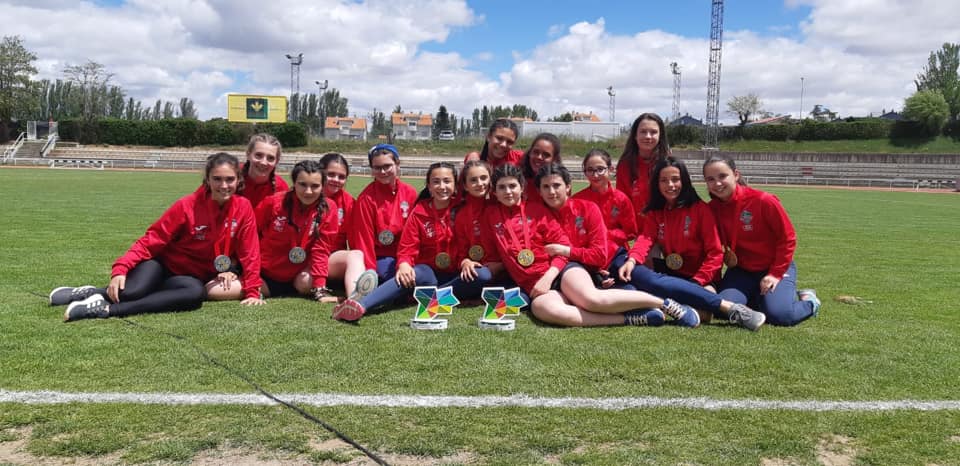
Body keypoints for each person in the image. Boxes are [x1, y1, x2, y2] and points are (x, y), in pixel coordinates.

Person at [51, 153, 264, 322]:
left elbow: (250, 251)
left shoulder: (243, 208)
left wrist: (252, 291)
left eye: (230, 179)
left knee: (194, 295)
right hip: (161, 265)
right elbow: (153, 238)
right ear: (207, 179)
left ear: (238, 180)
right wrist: (121, 268)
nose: (224, 186)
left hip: (189, 277)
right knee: (130, 291)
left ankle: (106, 310)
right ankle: (91, 292)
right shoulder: (186, 205)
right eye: (217, 179)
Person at [481, 164, 696, 328]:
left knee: (591, 300)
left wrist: (548, 278)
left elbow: (562, 248)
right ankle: (631, 318)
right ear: (494, 191)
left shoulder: (537, 211)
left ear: (522, 188)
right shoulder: (490, 216)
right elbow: (494, 256)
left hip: (561, 271)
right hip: (534, 287)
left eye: (512, 186)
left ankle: (665, 304)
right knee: (545, 311)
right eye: (502, 187)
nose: (508, 191)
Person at [333, 162, 491, 320]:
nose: (442, 186)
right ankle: (360, 305)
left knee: (482, 275)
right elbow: (407, 246)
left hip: (456, 275)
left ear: (456, 185)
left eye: (447, 181)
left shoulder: (463, 209)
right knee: (416, 272)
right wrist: (404, 264)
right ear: (428, 186)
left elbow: (468, 244)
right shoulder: (419, 212)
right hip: (429, 275)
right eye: (436, 182)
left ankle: (426, 297)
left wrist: (466, 262)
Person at [702, 154, 820, 326]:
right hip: (741, 271)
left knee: (780, 316)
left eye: (722, 176)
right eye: (710, 179)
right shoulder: (712, 209)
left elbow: (787, 239)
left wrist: (774, 274)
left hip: (773, 267)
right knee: (724, 309)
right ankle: (762, 298)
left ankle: (810, 301)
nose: (717, 184)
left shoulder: (763, 201)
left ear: (736, 175)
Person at [255, 160, 375, 301]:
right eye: (303, 185)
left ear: (322, 186)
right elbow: (250, 238)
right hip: (267, 274)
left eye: (315, 186)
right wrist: (243, 272)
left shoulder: (329, 208)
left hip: (302, 274)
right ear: (294, 183)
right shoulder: (273, 203)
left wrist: (319, 288)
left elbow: (321, 249)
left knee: (353, 256)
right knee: (225, 290)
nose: (308, 191)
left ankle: (357, 301)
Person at [342, 144, 418, 319]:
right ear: (371, 169)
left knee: (422, 275)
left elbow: (415, 233)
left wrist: (406, 261)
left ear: (397, 165)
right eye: (377, 167)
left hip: (408, 256)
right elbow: (363, 240)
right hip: (382, 259)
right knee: (398, 278)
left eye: (387, 166)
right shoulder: (366, 199)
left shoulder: (410, 193)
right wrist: (369, 275)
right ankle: (376, 295)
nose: (383, 171)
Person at [572, 149, 638, 286]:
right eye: (590, 170)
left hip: (616, 255)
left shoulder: (621, 199)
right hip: (587, 257)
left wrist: (604, 235)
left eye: (600, 169)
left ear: (611, 169)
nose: (595, 175)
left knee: (630, 285)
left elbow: (630, 233)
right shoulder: (577, 200)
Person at [317, 152, 376, 302]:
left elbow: (356, 239)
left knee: (355, 255)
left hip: (331, 260)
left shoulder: (349, 203)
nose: (336, 180)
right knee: (303, 282)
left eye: (341, 176)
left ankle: (354, 300)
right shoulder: (308, 195)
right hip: (306, 259)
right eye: (331, 174)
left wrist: (361, 267)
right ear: (320, 172)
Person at [616, 113, 670, 227]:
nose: (648, 136)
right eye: (643, 132)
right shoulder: (625, 165)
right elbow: (622, 201)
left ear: (660, 136)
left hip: (668, 229)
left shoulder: (669, 164)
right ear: (635, 135)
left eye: (653, 132)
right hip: (639, 232)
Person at [453, 160, 499, 285]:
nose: (480, 183)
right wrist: (465, 262)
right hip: (480, 271)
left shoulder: (500, 206)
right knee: (481, 275)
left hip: (504, 268)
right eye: (473, 180)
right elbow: (461, 251)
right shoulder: (461, 215)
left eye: (484, 178)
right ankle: (439, 294)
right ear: (466, 186)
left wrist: (502, 265)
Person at [238, 133, 289, 209]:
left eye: (270, 158)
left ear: (277, 161)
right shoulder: (231, 177)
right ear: (248, 154)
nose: (263, 162)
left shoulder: (281, 187)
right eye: (258, 155)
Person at [519, 132, 561, 202]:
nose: (539, 157)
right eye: (535, 152)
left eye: (546, 155)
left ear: (554, 159)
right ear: (530, 153)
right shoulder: (518, 180)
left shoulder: (560, 184)